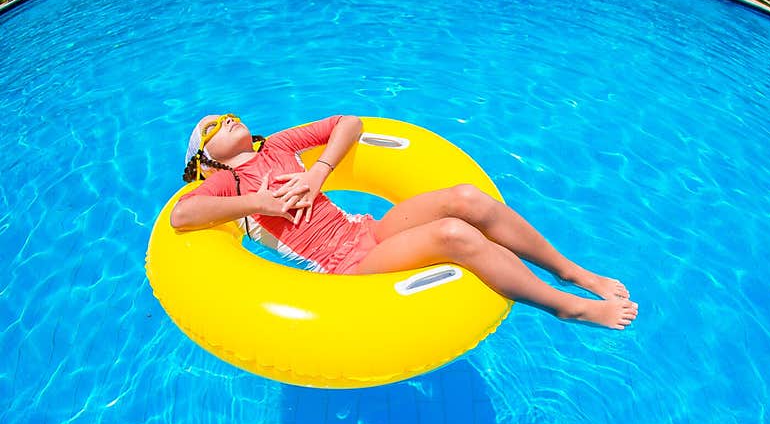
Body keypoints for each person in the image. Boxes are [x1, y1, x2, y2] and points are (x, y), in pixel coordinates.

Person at [170, 113, 639, 330]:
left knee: (467, 200)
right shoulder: (227, 185)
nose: (227, 120)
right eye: (213, 127)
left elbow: (348, 123)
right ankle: (566, 305)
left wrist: (318, 171)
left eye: (229, 116)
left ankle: (572, 271)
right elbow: (182, 215)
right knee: (453, 234)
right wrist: (260, 204)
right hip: (344, 266)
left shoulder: (276, 146)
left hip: (364, 230)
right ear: (205, 159)